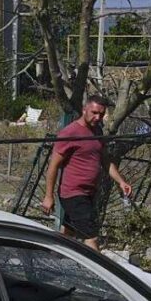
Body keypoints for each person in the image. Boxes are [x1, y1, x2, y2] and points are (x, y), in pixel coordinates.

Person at [42, 95, 133, 251]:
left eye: (101, 114)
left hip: (89, 193)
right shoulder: (70, 133)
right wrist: (48, 196)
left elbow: (106, 161)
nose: (98, 117)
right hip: (73, 193)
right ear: (84, 110)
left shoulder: (97, 131)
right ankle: (101, 274)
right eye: (94, 113)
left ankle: (53, 258)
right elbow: (53, 166)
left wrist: (121, 181)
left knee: (68, 231)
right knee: (91, 237)